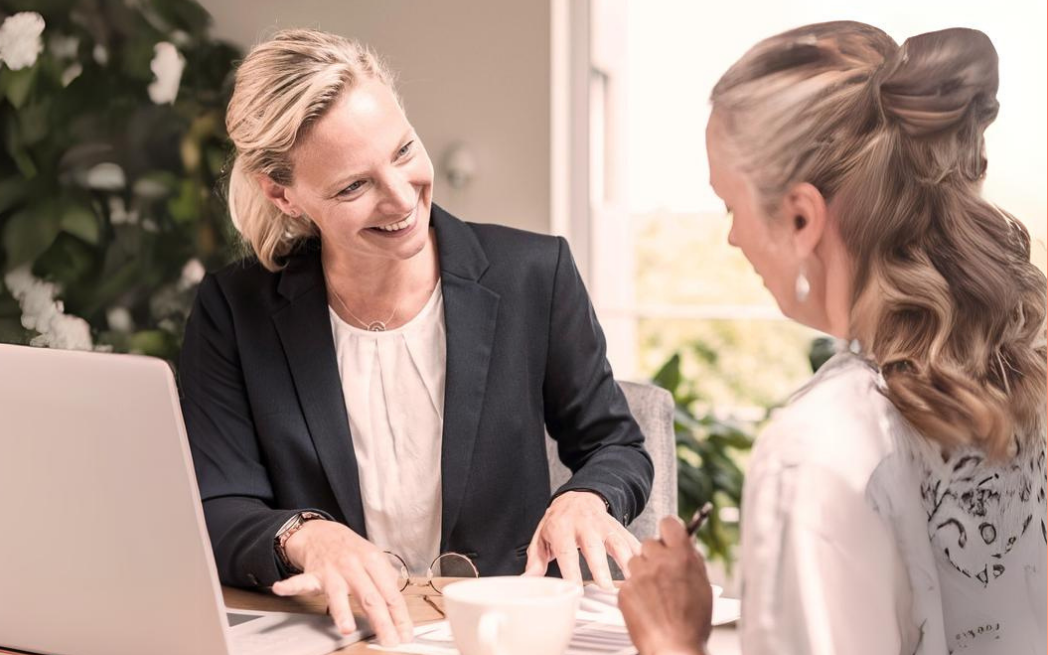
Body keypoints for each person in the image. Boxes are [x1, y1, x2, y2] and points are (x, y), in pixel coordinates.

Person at [178, 29, 653, 648]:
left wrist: (589, 497)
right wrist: (305, 536)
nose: (402, 199)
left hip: (503, 635)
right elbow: (217, 503)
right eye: (354, 186)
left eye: (403, 151)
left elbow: (615, 445)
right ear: (282, 194)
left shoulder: (535, 273)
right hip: (340, 637)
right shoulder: (233, 309)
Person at [619, 21, 1047, 655]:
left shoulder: (814, 453)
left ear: (802, 217)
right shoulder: (1019, 370)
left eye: (732, 206)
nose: (733, 237)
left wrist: (669, 638)